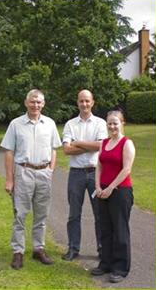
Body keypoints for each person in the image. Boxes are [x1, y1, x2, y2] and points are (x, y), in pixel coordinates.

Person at [0, 89, 62, 269]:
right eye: (33, 101)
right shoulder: (16, 124)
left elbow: (54, 148)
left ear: (43, 104)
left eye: (39, 102)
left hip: (44, 173)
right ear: (26, 103)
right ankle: (18, 251)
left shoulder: (49, 124)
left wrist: (51, 170)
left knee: (41, 214)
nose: (36, 105)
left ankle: (38, 249)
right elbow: (9, 152)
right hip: (23, 172)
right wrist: (9, 180)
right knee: (20, 213)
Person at [61, 89, 108, 261]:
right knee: (74, 213)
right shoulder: (70, 124)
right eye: (81, 101)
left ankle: (103, 249)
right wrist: (91, 145)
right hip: (76, 174)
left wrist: (78, 143)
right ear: (77, 103)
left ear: (92, 102)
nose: (84, 104)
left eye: (87, 101)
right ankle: (73, 249)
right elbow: (66, 150)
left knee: (100, 214)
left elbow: (101, 146)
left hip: (95, 173)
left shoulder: (101, 123)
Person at [91, 110, 135, 283]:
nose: (112, 126)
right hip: (102, 190)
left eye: (115, 122)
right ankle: (106, 264)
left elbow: (127, 169)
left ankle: (120, 268)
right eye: (109, 123)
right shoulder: (104, 143)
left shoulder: (127, 143)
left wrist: (110, 187)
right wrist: (97, 186)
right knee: (105, 228)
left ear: (122, 123)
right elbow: (99, 166)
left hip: (120, 192)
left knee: (120, 229)